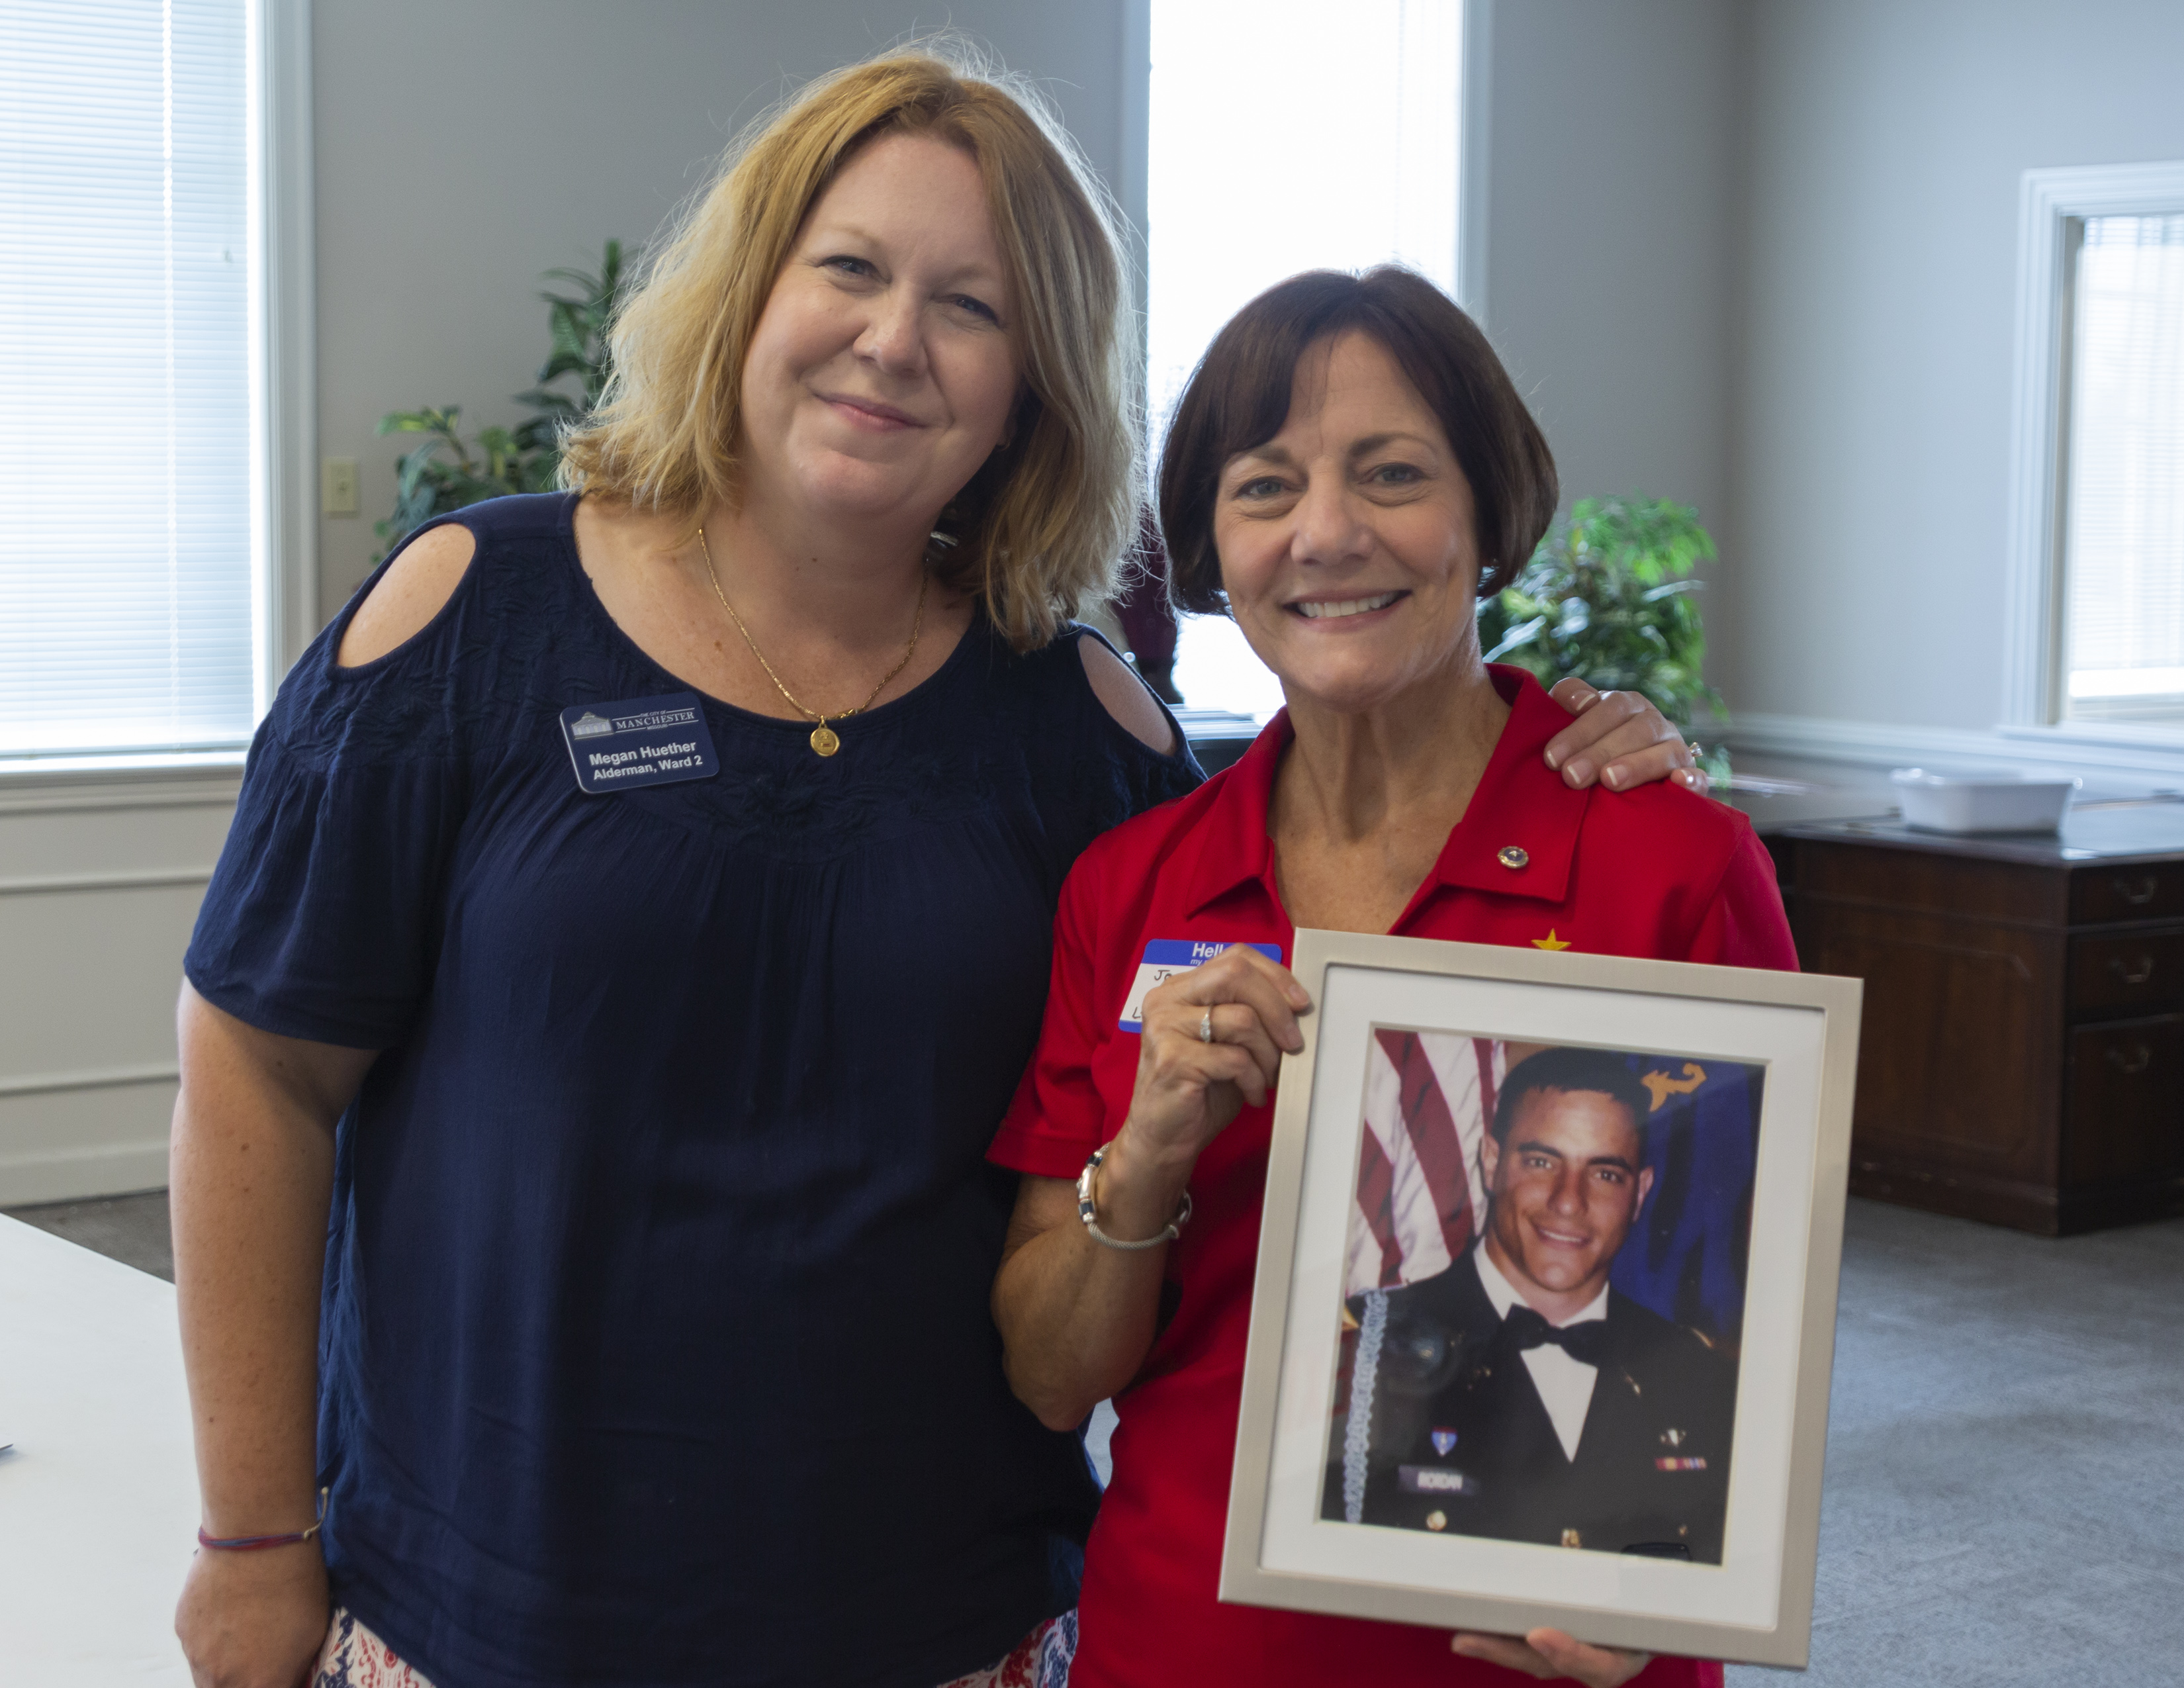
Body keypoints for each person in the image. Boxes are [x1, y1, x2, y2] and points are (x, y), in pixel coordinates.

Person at [169, 50, 1702, 1688]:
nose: (894, 341)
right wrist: (251, 1537)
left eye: (970, 306)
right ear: (748, 290)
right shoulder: (470, 612)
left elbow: (1295, 1017)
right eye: (849, 267)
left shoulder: (1082, 725)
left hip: (935, 1622)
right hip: (497, 1607)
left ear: (1030, 383)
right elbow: (257, 1068)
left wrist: (1570, 733)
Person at [989, 265, 1797, 1688]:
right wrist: (1151, 1153)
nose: (1328, 534)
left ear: (1488, 518)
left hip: (1557, 1654)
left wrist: (1667, 1599)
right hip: (1189, 1644)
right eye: (1263, 487)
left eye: (1394, 473)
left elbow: (1749, 1328)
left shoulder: (1673, 863)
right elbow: (1056, 1378)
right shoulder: (1133, 887)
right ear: (1209, 551)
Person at [1332, 1046, 1737, 1566]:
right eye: (1542, 1162)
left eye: (1606, 1173)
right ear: (1492, 1162)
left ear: (1641, 1193)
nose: (1569, 1201)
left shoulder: (1695, 1372)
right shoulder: (1369, 1345)